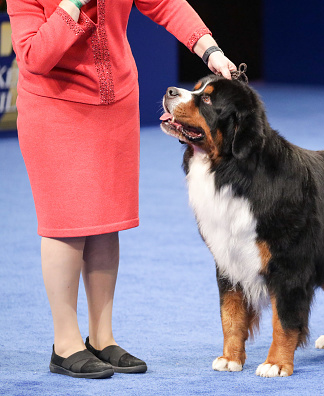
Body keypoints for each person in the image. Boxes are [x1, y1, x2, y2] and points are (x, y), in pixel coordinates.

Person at [7, 0, 236, 379]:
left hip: (116, 103)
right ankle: (65, 344)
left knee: (105, 221)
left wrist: (209, 49)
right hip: (55, 106)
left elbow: (165, 4)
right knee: (66, 224)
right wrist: (72, 4)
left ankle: (102, 337)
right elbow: (34, 57)